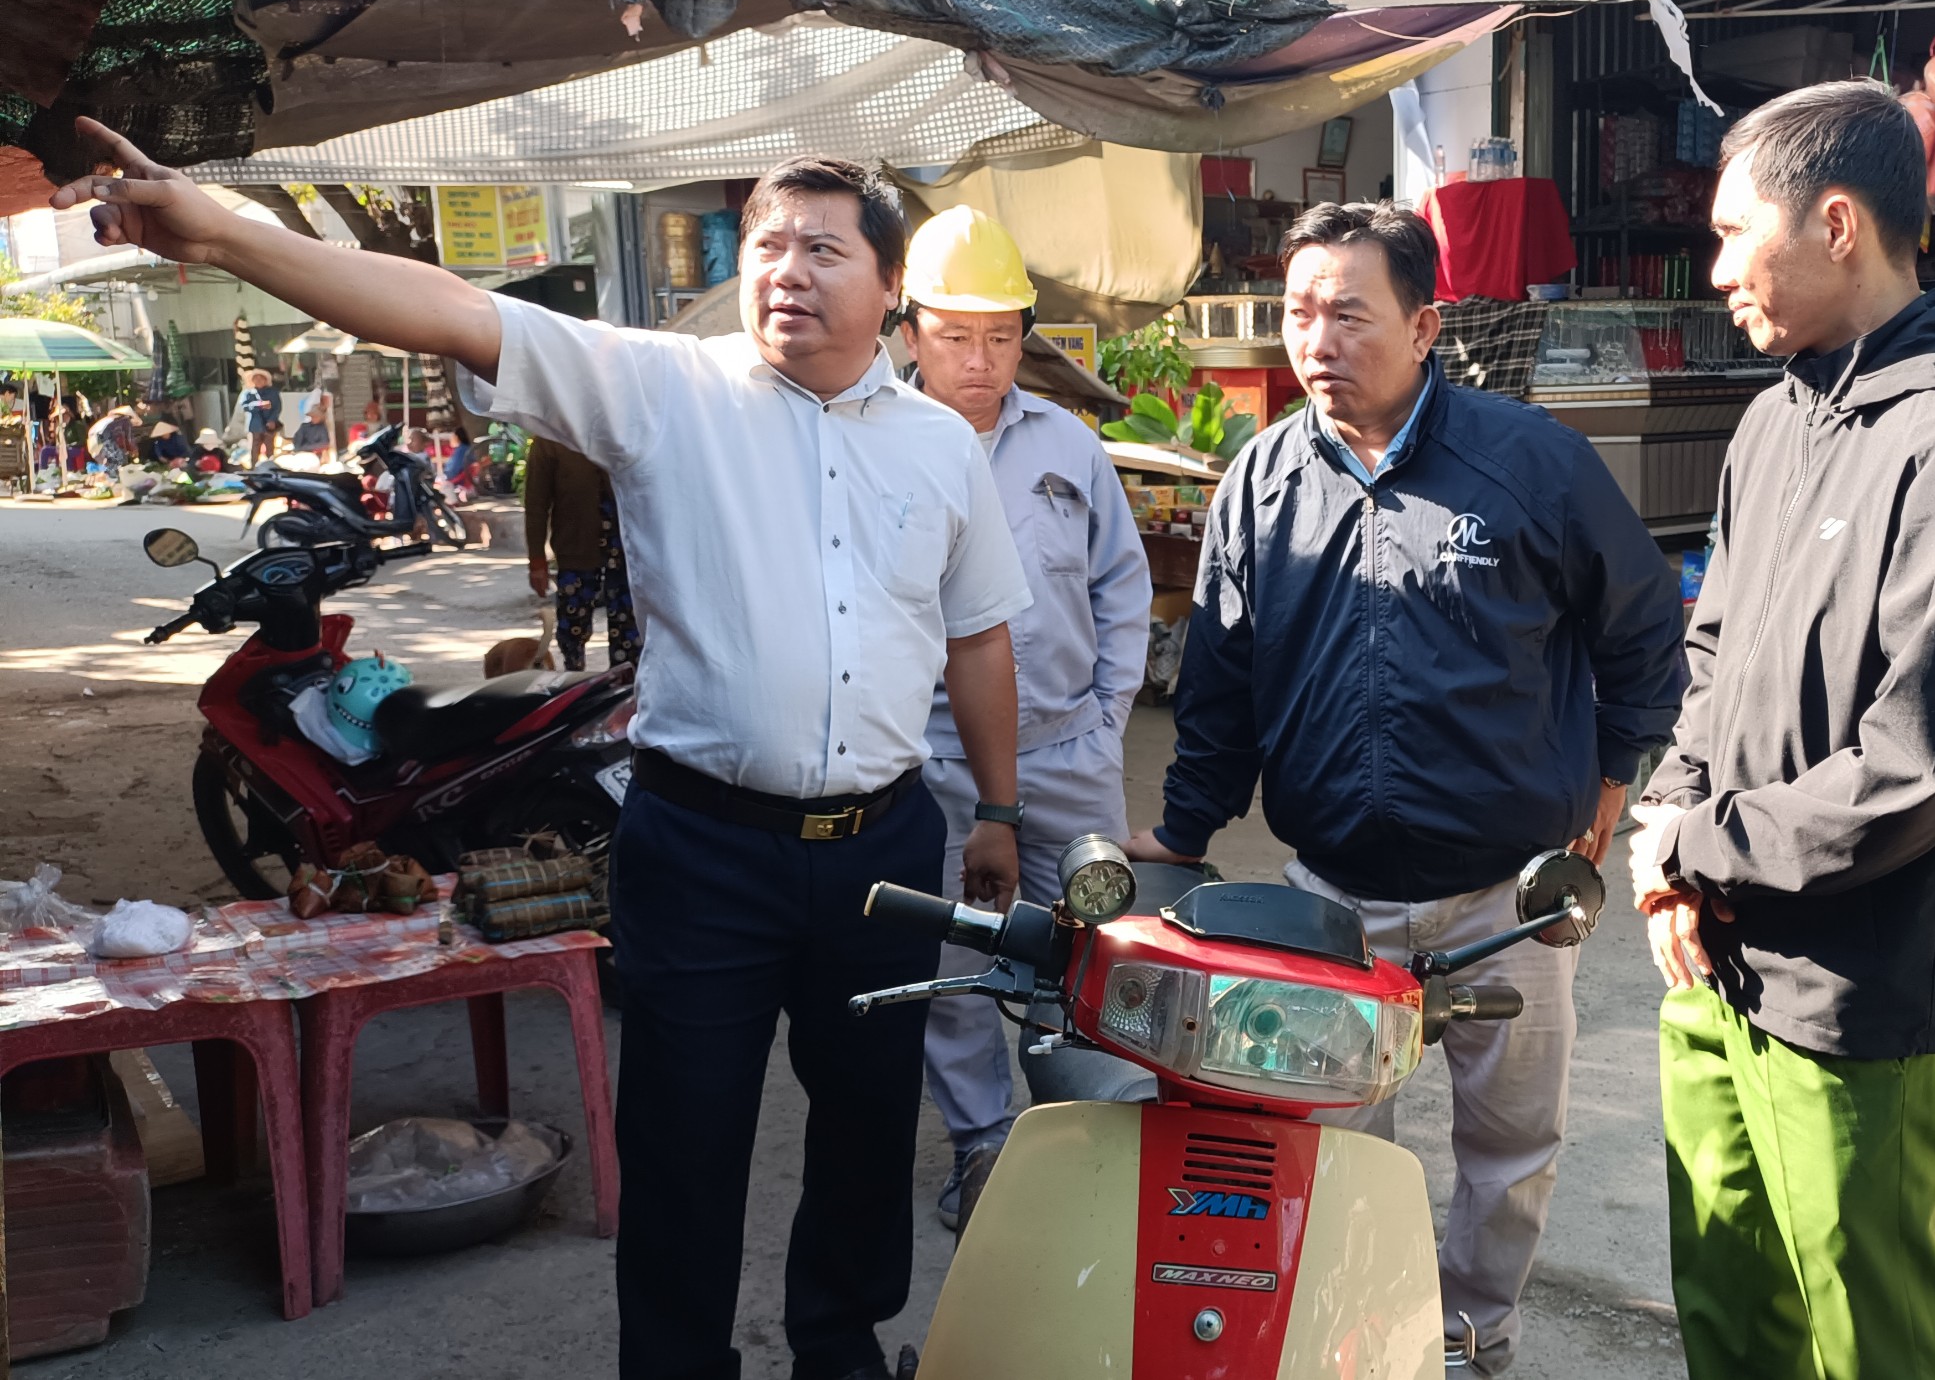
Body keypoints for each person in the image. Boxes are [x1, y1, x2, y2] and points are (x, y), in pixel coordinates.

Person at [53, 118, 1033, 1380]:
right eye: (767, 244)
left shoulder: (939, 446)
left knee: (865, 1124)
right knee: (684, 1140)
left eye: (824, 249)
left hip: (879, 849)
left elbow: (977, 636)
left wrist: (997, 808)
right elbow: (456, 312)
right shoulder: (665, 390)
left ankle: (840, 1349)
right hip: (704, 847)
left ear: (889, 288)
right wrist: (230, 236)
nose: (786, 269)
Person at [1124, 200, 1687, 1375]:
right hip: (1335, 901)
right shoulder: (1262, 479)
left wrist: (1614, 773)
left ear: (1425, 326)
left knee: (1510, 1145)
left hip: (1506, 903)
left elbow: (1641, 624)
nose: (1316, 341)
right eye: (1298, 313)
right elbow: (1220, 684)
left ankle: (1477, 1331)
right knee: (1330, 1144)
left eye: (1348, 314)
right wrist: (1180, 830)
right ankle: (1348, 1337)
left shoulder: (1529, 464)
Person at [1624, 80, 1935, 1380]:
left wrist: (1696, 845)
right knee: (1728, 1312)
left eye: (1735, 234)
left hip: (1856, 999)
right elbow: (1712, 655)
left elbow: (1918, 769)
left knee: (1872, 1342)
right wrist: (1672, 842)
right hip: (1714, 955)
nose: (1717, 271)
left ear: (1836, 225)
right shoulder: (1775, 418)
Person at [897, 206, 1150, 1233]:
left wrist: (1107, 720)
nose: (980, 360)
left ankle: (1089, 1139)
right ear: (909, 331)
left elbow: (1121, 586)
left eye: (1000, 336)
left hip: (1069, 754)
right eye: (956, 335)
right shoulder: (876, 446)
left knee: (1100, 951)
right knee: (955, 968)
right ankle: (982, 1144)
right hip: (939, 765)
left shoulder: (1068, 448)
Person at [522, 435, 639, 670]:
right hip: (575, 550)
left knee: (629, 631)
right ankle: (574, 678)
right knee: (572, 629)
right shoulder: (550, 438)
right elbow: (536, 504)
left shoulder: (623, 429)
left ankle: (627, 684)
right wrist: (537, 561)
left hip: (628, 551)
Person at [239, 367, 282, 463]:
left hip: (269, 425)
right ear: (252, 380)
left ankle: (270, 467)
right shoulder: (248, 393)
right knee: (254, 448)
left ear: (265, 380)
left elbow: (277, 407)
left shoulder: (273, 392)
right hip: (254, 425)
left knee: (270, 448)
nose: (258, 380)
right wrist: (259, 405)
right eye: (256, 378)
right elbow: (244, 407)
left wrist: (272, 420)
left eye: (261, 378)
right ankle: (254, 468)